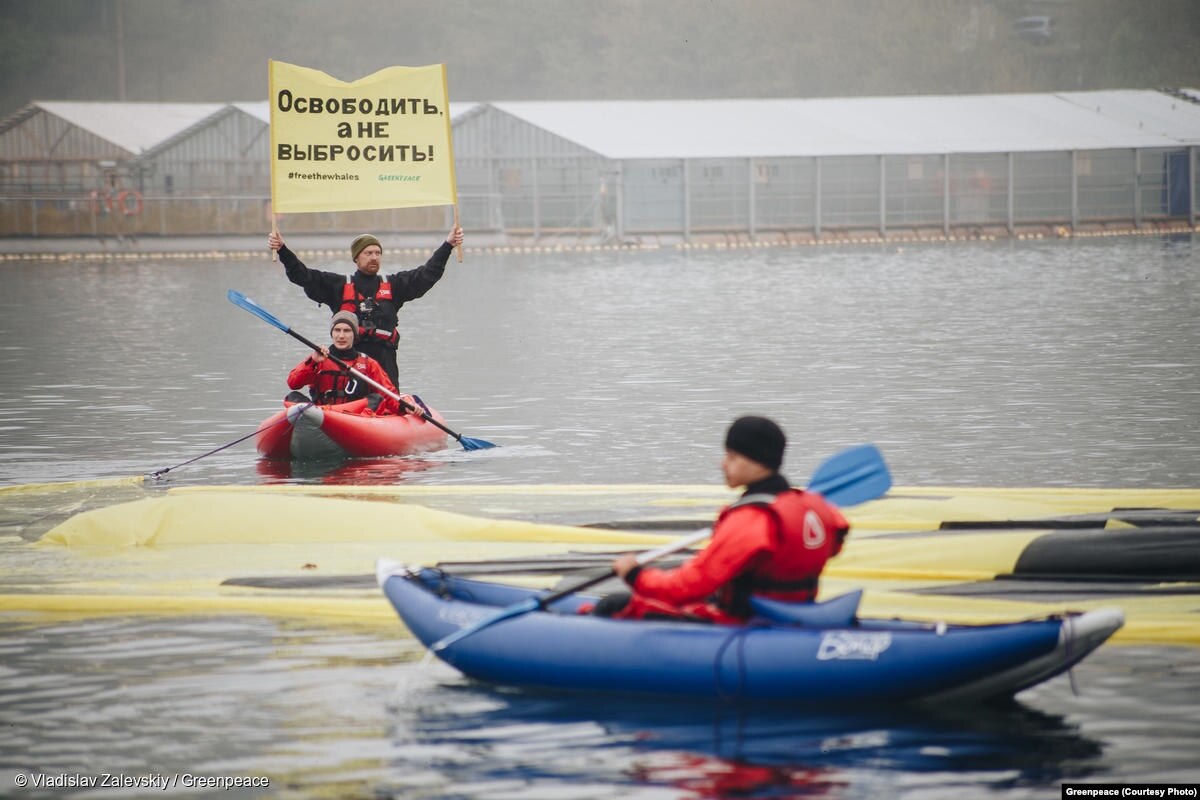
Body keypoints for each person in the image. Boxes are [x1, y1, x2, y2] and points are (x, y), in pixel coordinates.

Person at [594, 416, 850, 623]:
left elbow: (688, 585)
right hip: (795, 615)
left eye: (732, 456)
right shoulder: (818, 507)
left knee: (613, 605)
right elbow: (833, 546)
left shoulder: (751, 519)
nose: (723, 464)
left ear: (757, 461)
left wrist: (635, 575)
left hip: (742, 622)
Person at [267, 225, 465, 385]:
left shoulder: (395, 285)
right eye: (368, 253)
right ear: (356, 257)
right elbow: (302, 276)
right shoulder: (337, 285)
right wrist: (282, 250)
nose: (374, 257)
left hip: (385, 363)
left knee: (385, 398)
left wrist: (448, 245)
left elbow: (427, 274)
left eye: (378, 253)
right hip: (349, 362)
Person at [286, 310, 420, 416]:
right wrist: (312, 361)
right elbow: (293, 383)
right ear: (332, 334)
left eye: (347, 331)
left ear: (354, 335)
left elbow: (388, 394)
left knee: (376, 399)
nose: (341, 336)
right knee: (292, 397)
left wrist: (405, 407)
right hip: (322, 412)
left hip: (355, 415)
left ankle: (361, 429)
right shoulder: (318, 359)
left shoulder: (368, 363)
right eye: (337, 330)